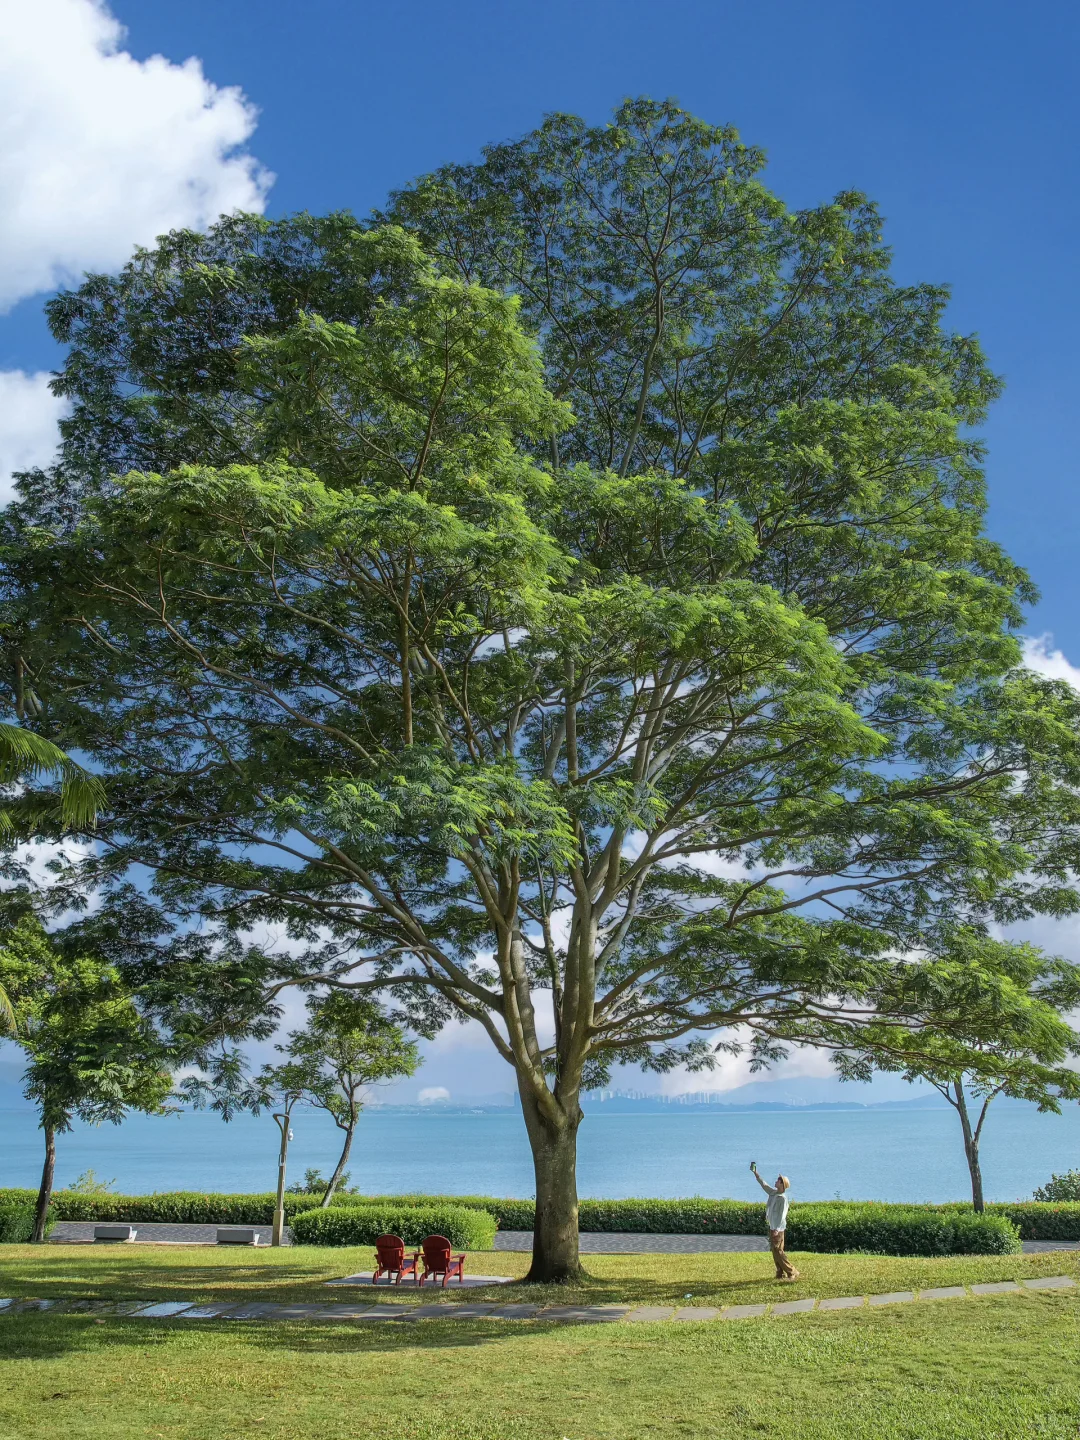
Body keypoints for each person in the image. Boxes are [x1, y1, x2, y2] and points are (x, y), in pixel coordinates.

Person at [751, 1160, 800, 1281]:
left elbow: (782, 1215)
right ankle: (780, 1272)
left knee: (778, 1251)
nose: (776, 1181)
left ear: (782, 1185)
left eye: (778, 1180)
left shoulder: (782, 1199)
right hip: (773, 1226)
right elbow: (764, 1185)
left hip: (778, 1228)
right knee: (775, 1250)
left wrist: (777, 1230)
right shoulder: (774, 1193)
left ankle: (792, 1271)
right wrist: (756, 1174)